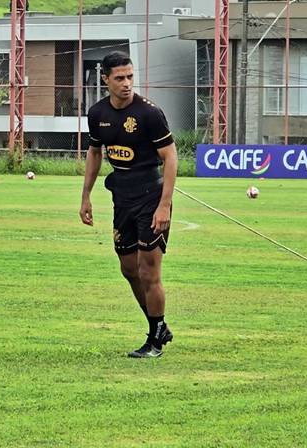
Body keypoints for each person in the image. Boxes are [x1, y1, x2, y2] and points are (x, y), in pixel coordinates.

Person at [79, 51, 178, 358]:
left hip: (151, 198)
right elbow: (95, 152)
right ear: (105, 79)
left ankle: (155, 339)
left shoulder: (149, 113)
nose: (126, 83)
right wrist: (85, 196)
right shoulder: (97, 113)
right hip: (121, 198)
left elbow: (171, 156)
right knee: (128, 269)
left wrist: (164, 205)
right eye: (119, 78)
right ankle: (158, 325)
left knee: (148, 270)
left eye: (130, 77)